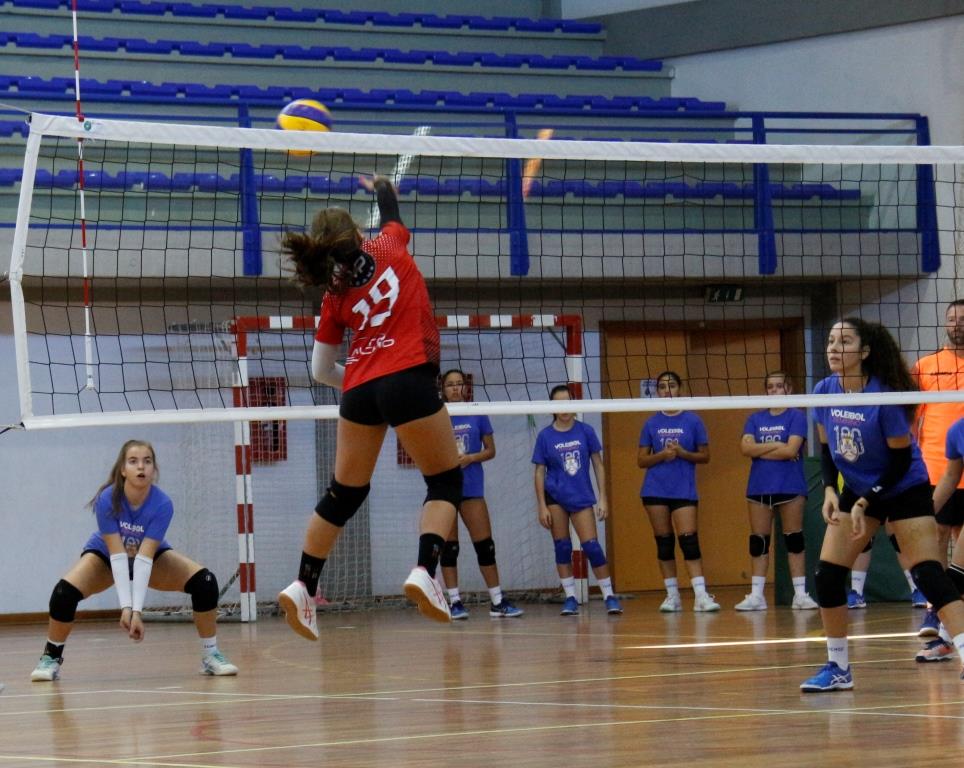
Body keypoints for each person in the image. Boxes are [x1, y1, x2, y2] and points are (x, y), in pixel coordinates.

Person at [277, 175, 462, 639]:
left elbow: (321, 370)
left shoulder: (334, 295)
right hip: (410, 375)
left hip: (359, 389)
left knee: (344, 494)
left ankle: (303, 585)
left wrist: (363, 377)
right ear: (357, 234)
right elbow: (394, 212)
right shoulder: (390, 246)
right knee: (444, 480)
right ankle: (425, 571)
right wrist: (381, 185)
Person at [801, 317, 964, 692]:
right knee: (827, 575)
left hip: (903, 487)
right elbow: (826, 449)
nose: (833, 349)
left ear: (865, 351)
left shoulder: (885, 395)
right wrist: (829, 490)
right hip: (855, 488)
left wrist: (866, 501)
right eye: (830, 341)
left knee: (927, 572)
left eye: (844, 342)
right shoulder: (824, 390)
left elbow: (900, 461)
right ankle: (838, 667)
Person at [30, 440, 238, 682]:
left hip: (149, 558)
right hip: (106, 556)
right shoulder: (107, 499)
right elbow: (118, 557)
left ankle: (210, 655)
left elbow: (144, 558)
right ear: (123, 470)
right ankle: (51, 658)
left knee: (205, 582)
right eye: (133, 461)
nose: (141, 467)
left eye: (147, 461)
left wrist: (137, 612)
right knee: (64, 592)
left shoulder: (162, 504)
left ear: (154, 470)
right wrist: (127, 609)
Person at [439, 368, 522, 619]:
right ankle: (454, 602)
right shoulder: (437, 415)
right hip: (444, 488)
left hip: (472, 487)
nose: (455, 388)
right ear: (442, 389)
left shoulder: (476, 411)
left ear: (465, 387)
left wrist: (470, 458)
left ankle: (497, 601)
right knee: (449, 548)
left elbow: (491, 450)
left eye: (459, 384)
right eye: (450, 384)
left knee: (485, 546)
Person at [533, 384, 622, 616]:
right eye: (559, 403)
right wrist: (541, 505)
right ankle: (570, 597)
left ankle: (608, 595)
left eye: (568, 402)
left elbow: (598, 465)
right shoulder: (545, 436)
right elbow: (539, 472)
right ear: (553, 407)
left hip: (581, 495)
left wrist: (603, 498)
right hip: (555, 497)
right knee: (562, 547)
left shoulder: (586, 431)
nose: (564, 408)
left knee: (592, 546)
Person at [637, 371, 720, 612]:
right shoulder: (651, 422)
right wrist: (662, 455)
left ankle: (701, 596)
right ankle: (672, 596)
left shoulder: (693, 420)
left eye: (671, 385)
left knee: (689, 541)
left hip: (683, 489)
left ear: (680, 388)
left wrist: (683, 453)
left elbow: (705, 456)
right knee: (664, 543)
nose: (667, 390)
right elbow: (641, 461)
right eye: (662, 387)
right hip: (655, 489)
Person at [735, 371, 818, 611]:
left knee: (794, 539)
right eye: (770, 387)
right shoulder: (755, 418)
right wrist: (775, 445)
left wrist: (760, 449)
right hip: (759, 485)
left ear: (788, 389)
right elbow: (744, 448)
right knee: (758, 541)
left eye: (778, 386)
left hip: (789, 485)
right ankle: (756, 595)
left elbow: (791, 451)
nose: (774, 391)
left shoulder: (796, 416)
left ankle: (800, 594)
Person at [912, 299, 964, 637]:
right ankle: (936, 610)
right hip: (938, 466)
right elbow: (912, 417)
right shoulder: (926, 365)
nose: (957, 323)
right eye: (951, 318)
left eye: (963, 318)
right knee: (937, 537)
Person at [916, 417, 964, 661]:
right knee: (955, 577)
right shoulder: (957, 430)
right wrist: (926, 512)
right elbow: (950, 476)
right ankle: (947, 640)